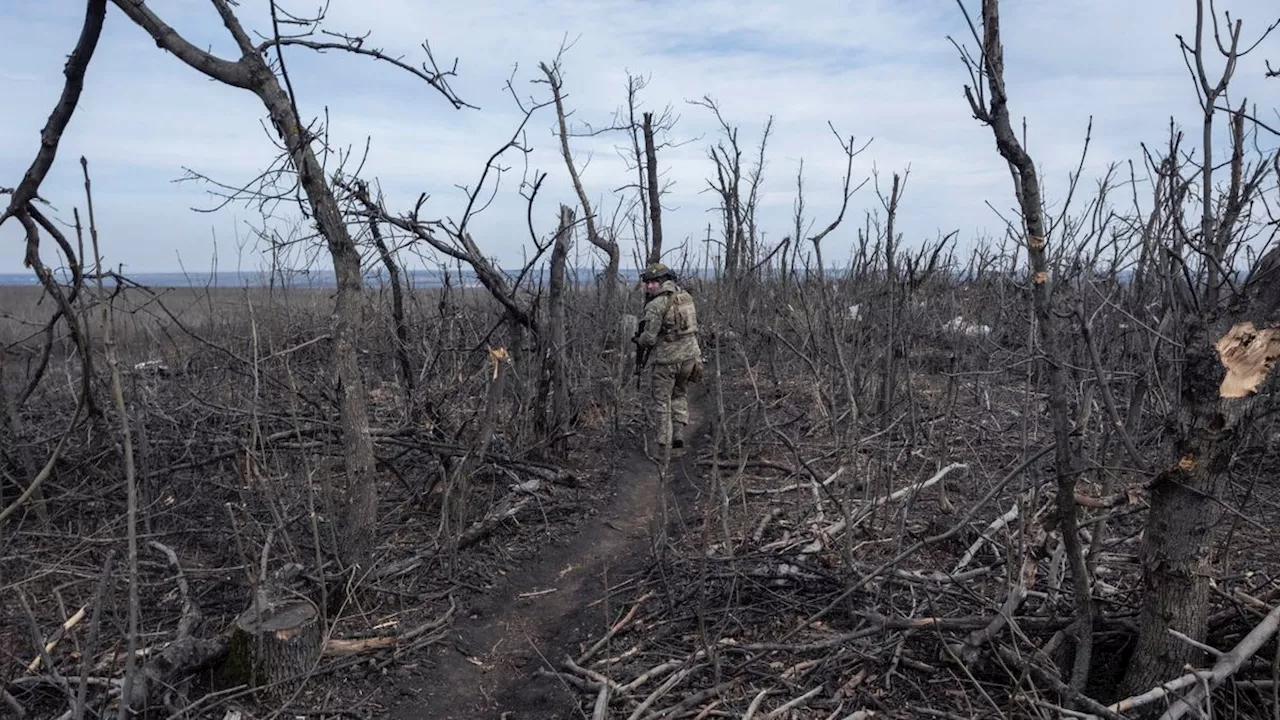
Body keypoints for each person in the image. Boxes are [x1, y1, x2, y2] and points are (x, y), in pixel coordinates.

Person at [633, 262, 701, 453]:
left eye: (654, 282)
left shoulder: (656, 305)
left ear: (663, 281)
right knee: (679, 394)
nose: (650, 286)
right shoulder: (686, 297)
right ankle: (678, 434)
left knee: (663, 401)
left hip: (667, 360)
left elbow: (649, 338)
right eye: (648, 283)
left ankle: (664, 445)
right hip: (690, 357)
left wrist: (639, 340)